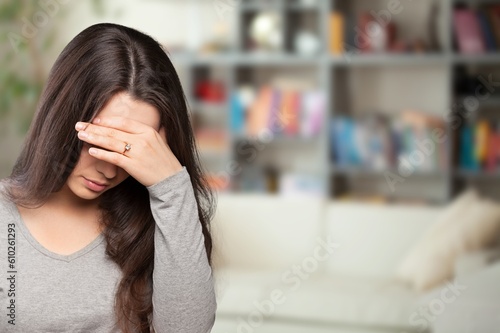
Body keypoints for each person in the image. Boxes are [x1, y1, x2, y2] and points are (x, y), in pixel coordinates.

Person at [0, 23, 217, 333]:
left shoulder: (163, 217)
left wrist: (171, 185)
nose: (111, 170)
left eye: (133, 149)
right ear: (61, 117)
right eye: (101, 143)